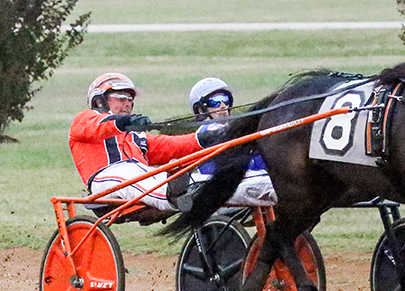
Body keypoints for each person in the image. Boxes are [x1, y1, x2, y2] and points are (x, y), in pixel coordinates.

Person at [70, 72, 214, 212]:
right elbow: (100, 125)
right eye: (121, 98)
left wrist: (204, 139)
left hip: (140, 173)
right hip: (105, 179)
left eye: (130, 99)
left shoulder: (135, 135)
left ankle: (230, 191)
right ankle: (172, 196)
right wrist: (125, 122)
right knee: (134, 178)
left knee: (206, 181)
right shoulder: (84, 119)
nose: (128, 104)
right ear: (99, 101)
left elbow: (168, 145)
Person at [187, 77, 277, 207]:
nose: (223, 105)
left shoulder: (227, 128)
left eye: (226, 99)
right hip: (222, 181)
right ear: (200, 110)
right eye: (215, 102)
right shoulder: (208, 130)